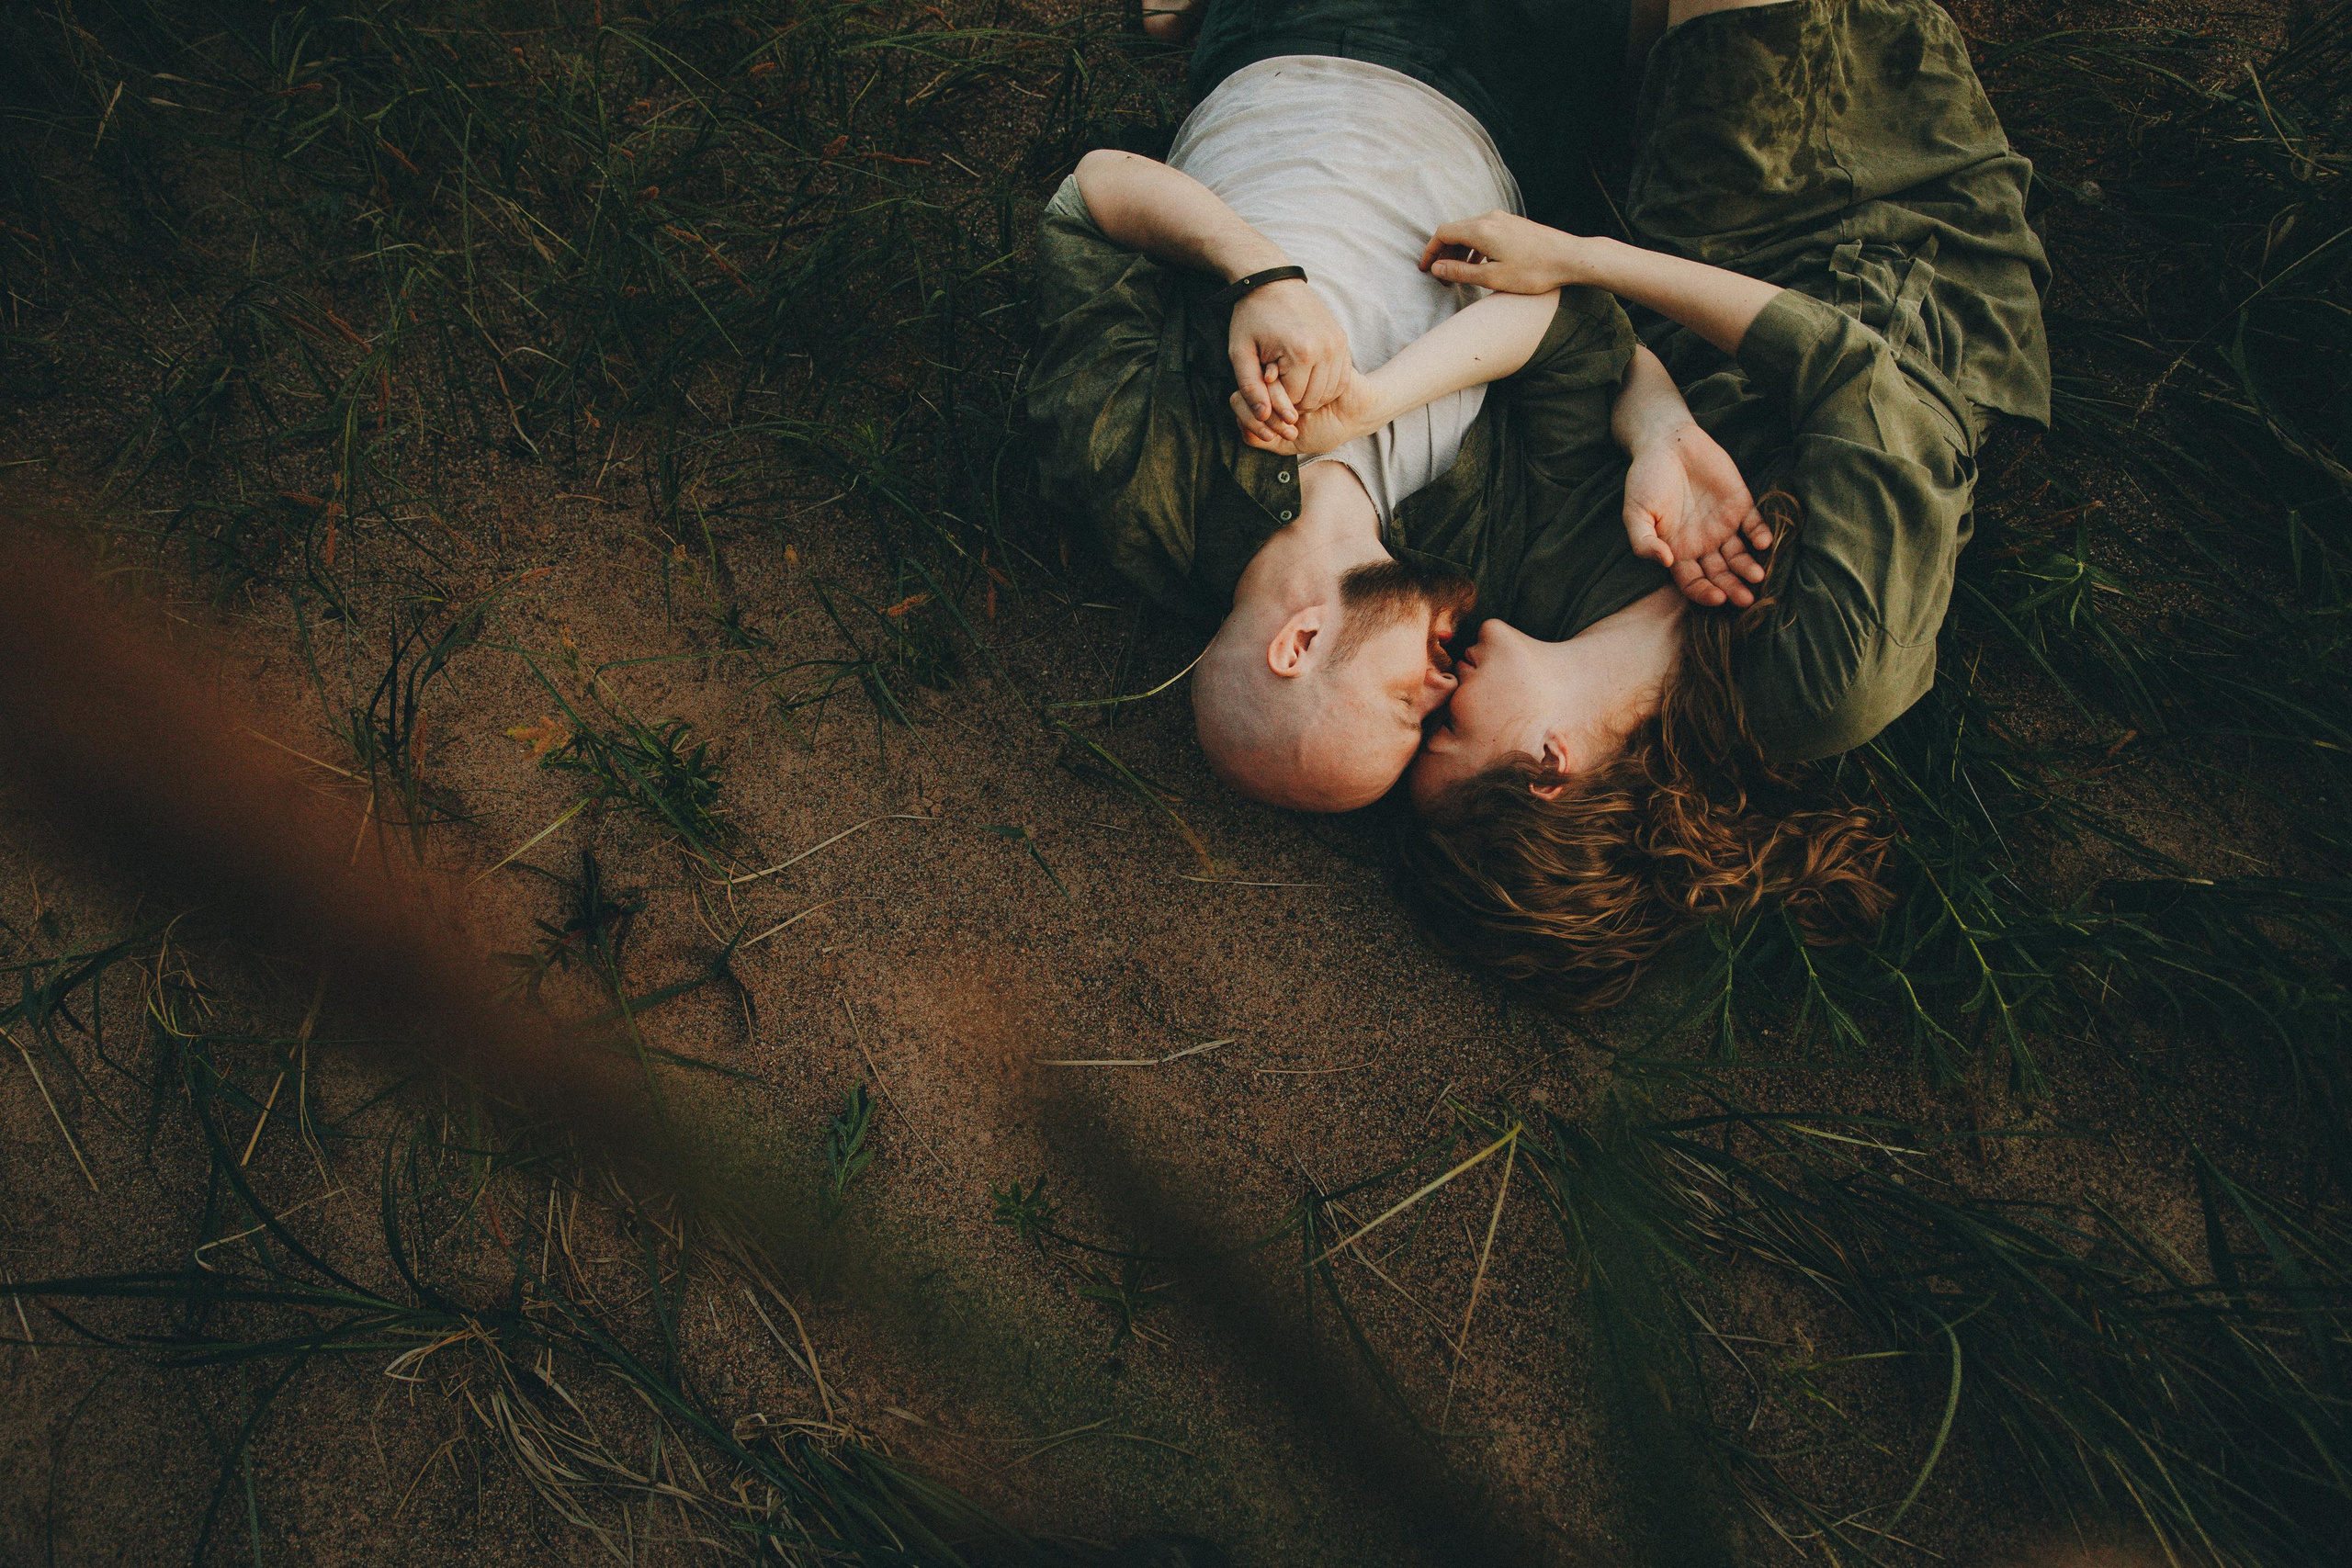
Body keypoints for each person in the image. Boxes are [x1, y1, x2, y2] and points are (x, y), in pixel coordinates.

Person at [1395, 0, 2052, 1004]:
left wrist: (1656, 427)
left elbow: (1584, 345)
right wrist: (1585, 258)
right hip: (1885, 228)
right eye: (1444, 733)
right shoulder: (1820, 680)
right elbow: (1864, 384)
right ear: (1549, 770)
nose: (1433, 689)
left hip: (1696, 253)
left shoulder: (1547, 587)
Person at [1027, 0, 1766, 811]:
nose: (1444, 686)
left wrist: (1257, 274)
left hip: (1309, 39)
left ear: (1299, 642)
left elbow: (1092, 194)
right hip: (1516, 106)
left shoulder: (1139, 482)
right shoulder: (1469, 549)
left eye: (1404, 706)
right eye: (1435, 718)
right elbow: (1583, 335)